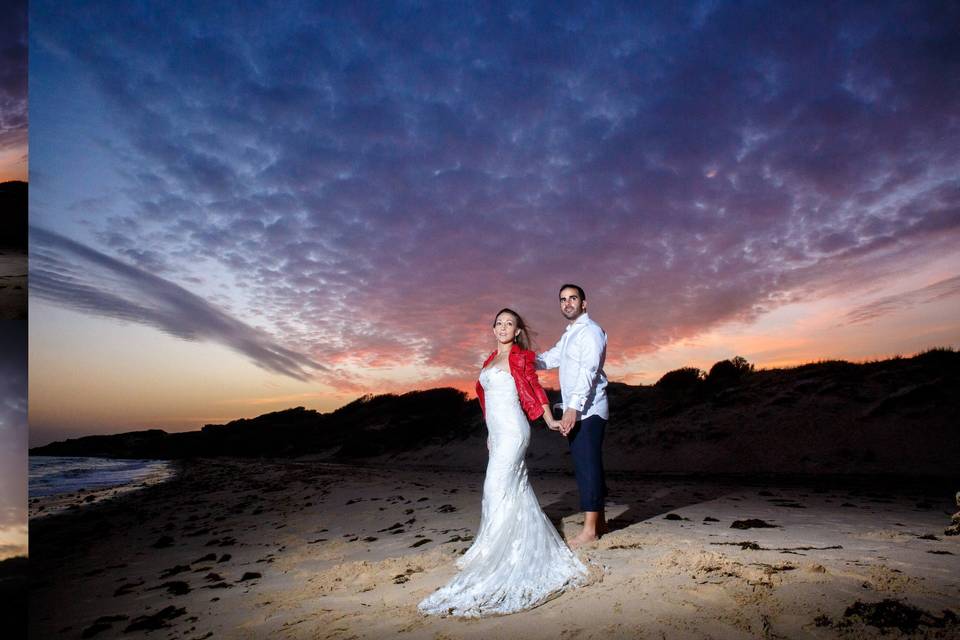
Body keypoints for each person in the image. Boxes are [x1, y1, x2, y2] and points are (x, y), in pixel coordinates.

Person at [418, 308, 588, 617]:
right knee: (509, 490)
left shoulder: (521, 358)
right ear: (493, 327)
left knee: (495, 487)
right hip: (497, 434)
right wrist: (489, 434)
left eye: (510, 323)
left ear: (518, 330)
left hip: (514, 431)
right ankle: (492, 547)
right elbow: (487, 401)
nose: (503, 327)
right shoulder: (488, 360)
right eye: (499, 322)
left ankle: (495, 553)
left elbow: (533, 389)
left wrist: (549, 418)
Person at [536, 284, 609, 548]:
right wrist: (521, 360)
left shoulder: (590, 332)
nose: (567, 303)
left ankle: (589, 531)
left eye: (573, 298)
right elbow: (549, 358)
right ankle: (599, 523)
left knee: (587, 466)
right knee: (587, 465)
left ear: (584, 303)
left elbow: (589, 371)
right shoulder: (570, 334)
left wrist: (573, 408)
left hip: (588, 410)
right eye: (563, 300)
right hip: (579, 409)